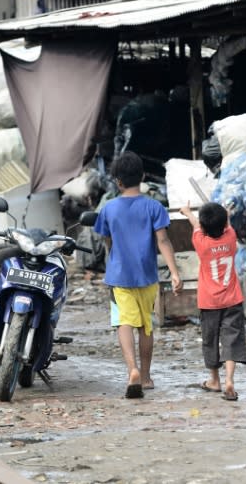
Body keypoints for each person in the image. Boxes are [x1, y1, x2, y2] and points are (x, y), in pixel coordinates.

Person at [94, 151, 182, 399]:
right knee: (145, 325)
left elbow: (107, 241)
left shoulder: (108, 209)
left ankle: (131, 369)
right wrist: (174, 273)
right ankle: (145, 376)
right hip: (148, 276)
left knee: (124, 322)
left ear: (117, 182)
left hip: (119, 276)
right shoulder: (154, 207)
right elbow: (163, 241)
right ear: (142, 177)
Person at [180, 200, 246, 401]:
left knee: (210, 341)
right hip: (232, 299)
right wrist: (225, 215)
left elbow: (196, 226)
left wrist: (188, 213)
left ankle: (214, 381)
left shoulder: (201, 244)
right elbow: (225, 226)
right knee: (231, 339)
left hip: (209, 303)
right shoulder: (231, 238)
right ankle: (229, 380)